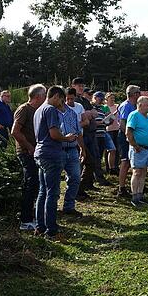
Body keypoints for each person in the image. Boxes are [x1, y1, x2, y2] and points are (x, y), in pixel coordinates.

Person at [33, 86, 78, 241]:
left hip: (40, 153)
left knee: (42, 191)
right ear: (57, 96)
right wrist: (67, 138)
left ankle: (40, 226)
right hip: (51, 154)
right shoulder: (51, 110)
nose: (62, 103)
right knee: (52, 193)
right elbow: (53, 134)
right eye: (62, 99)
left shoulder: (39, 109)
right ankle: (51, 231)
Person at [11, 84, 46, 231]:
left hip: (36, 152)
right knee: (30, 184)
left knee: (37, 184)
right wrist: (29, 147)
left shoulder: (39, 110)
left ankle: (35, 215)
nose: (46, 98)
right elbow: (15, 131)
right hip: (26, 152)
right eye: (44, 95)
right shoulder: (24, 109)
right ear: (37, 97)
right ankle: (25, 220)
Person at [71, 79, 109, 189]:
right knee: (82, 161)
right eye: (79, 86)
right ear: (73, 86)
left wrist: (89, 114)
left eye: (82, 86)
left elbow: (94, 113)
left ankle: (87, 183)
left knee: (94, 159)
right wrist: (88, 114)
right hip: (81, 134)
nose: (81, 88)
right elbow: (81, 116)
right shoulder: (73, 101)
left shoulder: (84, 100)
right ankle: (78, 187)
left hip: (91, 133)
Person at [59, 89, 86, 217]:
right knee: (54, 182)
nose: (69, 101)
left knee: (75, 178)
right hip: (58, 150)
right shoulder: (52, 112)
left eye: (71, 99)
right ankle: (52, 208)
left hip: (72, 149)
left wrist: (82, 148)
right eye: (67, 99)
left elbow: (78, 132)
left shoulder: (72, 114)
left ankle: (69, 206)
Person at [126, 96, 148, 207]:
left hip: (146, 148)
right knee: (137, 172)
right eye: (147, 104)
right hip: (138, 149)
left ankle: (140, 195)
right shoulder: (134, 115)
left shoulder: (147, 117)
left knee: (143, 172)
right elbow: (129, 132)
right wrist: (135, 146)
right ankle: (134, 197)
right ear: (140, 105)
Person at [116, 85, 141, 198]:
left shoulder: (134, 105)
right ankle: (121, 188)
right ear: (133, 94)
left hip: (134, 136)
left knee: (135, 162)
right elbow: (122, 124)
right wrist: (129, 137)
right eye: (138, 92)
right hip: (126, 137)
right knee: (125, 162)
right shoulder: (126, 106)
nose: (139, 94)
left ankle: (139, 185)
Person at [93, 92, 117, 174]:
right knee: (98, 153)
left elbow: (106, 122)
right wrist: (98, 123)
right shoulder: (91, 108)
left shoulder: (102, 108)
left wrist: (110, 120)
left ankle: (111, 169)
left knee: (112, 149)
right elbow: (90, 121)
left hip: (103, 132)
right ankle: (97, 171)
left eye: (102, 98)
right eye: (100, 98)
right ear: (95, 98)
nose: (102, 100)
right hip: (95, 133)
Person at [105, 92, 120, 174]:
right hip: (108, 130)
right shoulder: (105, 107)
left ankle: (116, 166)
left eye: (114, 98)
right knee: (110, 149)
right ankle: (109, 167)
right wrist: (114, 114)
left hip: (117, 129)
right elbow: (106, 120)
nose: (113, 100)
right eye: (111, 98)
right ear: (107, 99)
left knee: (117, 149)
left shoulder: (117, 106)